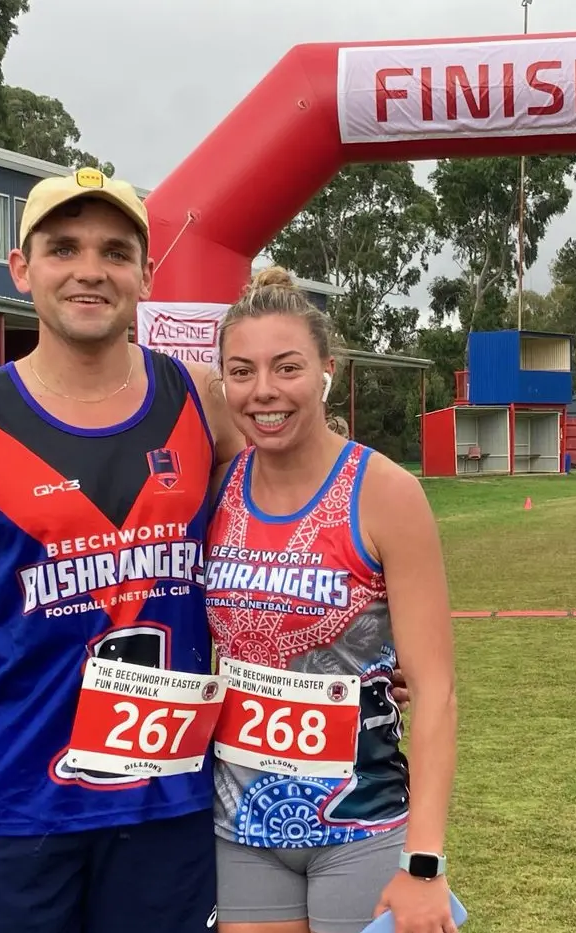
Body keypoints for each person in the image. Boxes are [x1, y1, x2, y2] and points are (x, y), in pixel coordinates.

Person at [0, 167, 247, 933]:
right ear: (22, 269)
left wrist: (368, 651)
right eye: (63, 247)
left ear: (145, 274)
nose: (89, 269)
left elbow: (305, 528)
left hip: (169, 802)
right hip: (11, 802)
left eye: (114, 251)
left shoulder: (206, 402)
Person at [198, 267, 458, 933]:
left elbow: (434, 689)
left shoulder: (386, 493)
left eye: (287, 367)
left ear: (326, 372)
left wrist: (424, 862)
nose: (264, 391)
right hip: (241, 827)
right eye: (242, 371)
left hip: (362, 823)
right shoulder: (214, 491)